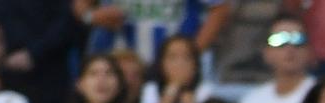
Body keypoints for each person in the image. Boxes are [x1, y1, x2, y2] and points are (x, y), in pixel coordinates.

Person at [77, 0, 232, 73]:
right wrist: (91, 16)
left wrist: (192, 54)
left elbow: (219, 7)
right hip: (117, 60)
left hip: (172, 64)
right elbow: (81, 6)